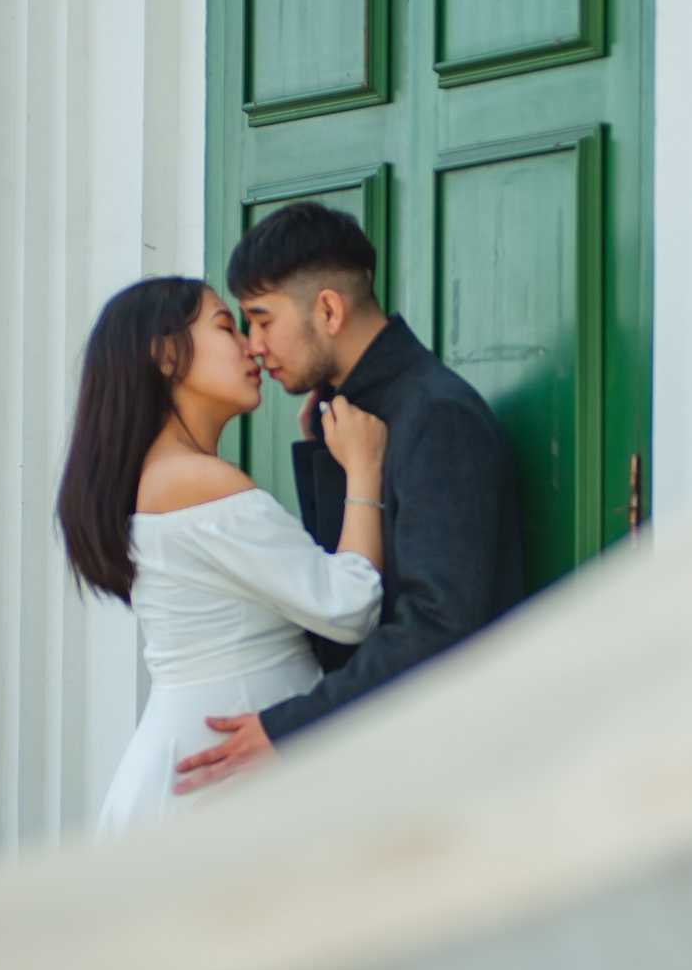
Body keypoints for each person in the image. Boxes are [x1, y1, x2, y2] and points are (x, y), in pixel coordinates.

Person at [172, 201, 525, 794]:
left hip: (442, 777)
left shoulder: (436, 416)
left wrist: (293, 729)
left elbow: (439, 625)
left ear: (328, 309)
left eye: (261, 319)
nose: (254, 345)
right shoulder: (353, 417)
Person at [56, 276, 392, 839]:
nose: (252, 345)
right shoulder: (199, 482)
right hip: (219, 782)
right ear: (166, 356)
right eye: (226, 327)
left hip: (206, 764)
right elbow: (350, 605)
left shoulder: (167, 478)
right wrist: (364, 470)